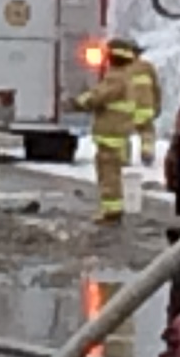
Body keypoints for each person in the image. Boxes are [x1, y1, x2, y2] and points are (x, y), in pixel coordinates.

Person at [72, 35, 162, 224]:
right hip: (121, 128)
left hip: (111, 132)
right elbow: (156, 90)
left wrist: (81, 101)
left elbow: (100, 96)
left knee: (108, 172)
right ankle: (112, 208)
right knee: (113, 166)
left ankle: (112, 212)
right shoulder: (135, 72)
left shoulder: (116, 77)